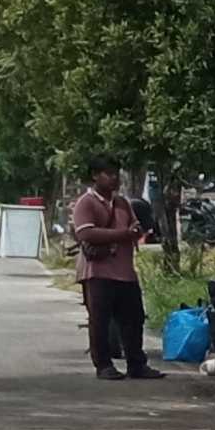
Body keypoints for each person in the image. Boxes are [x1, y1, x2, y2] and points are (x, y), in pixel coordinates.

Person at [71, 158, 154, 380]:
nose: (114, 177)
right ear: (95, 175)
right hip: (97, 272)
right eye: (108, 173)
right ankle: (104, 365)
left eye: (116, 173)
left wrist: (135, 230)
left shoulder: (122, 203)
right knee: (100, 321)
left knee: (134, 319)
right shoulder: (86, 203)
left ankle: (136, 363)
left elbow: (135, 226)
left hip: (125, 271)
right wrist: (122, 234)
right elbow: (86, 233)